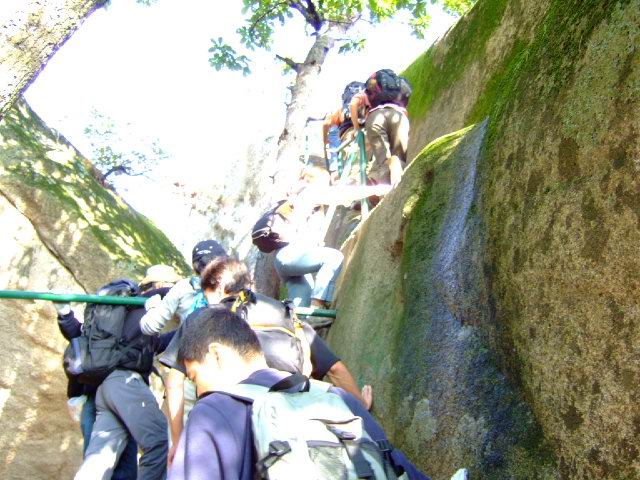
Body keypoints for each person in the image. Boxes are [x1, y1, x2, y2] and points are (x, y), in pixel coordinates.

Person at [167, 306, 431, 480]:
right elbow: (400, 468)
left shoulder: (212, 413)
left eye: (195, 377)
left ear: (216, 354)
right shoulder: (336, 397)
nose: (198, 391)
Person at [158, 256, 373, 465]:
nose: (207, 303)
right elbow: (336, 370)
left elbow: (174, 382)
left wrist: (178, 442)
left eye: (208, 297)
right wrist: (361, 405)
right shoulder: (286, 314)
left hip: (234, 429)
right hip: (293, 428)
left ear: (220, 287)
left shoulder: (203, 319)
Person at [65, 277, 175, 480]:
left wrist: (186, 330)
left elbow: (156, 344)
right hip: (125, 385)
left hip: (106, 388)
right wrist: (187, 288)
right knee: (159, 441)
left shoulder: (123, 318)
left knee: (98, 461)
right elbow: (167, 294)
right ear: (159, 285)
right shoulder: (144, 304)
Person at [272, 165, 390, 309]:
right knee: (333, 257)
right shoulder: (309, 192)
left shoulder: (294, 198)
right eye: (325, 182)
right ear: (316, 180)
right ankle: (317, 307)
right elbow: (341, 194)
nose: (326, 186)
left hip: (284, 261)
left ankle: (295, 321)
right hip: (293, 255)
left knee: (300, 305)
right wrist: (376, 189)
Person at [139, 240, 228, 335]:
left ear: (195, 268)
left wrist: (152, 306)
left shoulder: (184, 287)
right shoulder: (234, 294)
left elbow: (149, 326)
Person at [350, 69, 412, 187]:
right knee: (400, 160)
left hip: (376, 117)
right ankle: (398, 184)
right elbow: (405, 111)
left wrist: (356, 129)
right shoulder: (398, 90)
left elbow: (353, 103)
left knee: (383, 162)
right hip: (399, 117)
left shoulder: (369, 90)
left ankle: (386, 193)